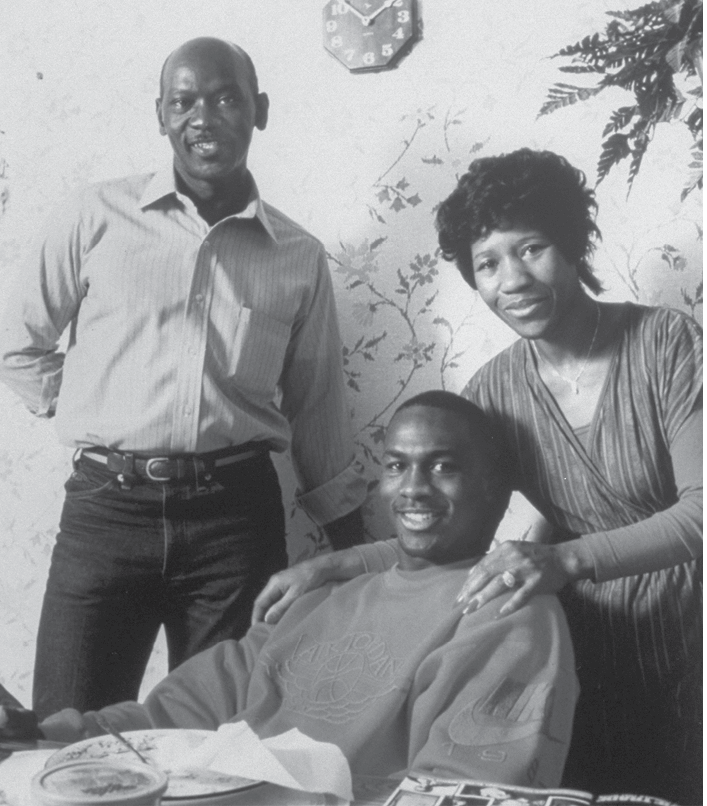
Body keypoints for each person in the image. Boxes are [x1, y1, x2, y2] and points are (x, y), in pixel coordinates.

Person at [252, 150, 703, 804]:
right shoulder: (493, 392)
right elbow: (457, 540)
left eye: (531, 248)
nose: (511, 279)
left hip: (690, 635)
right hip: (584, 650)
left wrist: (564, 556)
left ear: (572, 244)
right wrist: (333, 567)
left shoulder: (665, 342)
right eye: (487, 263)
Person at [0, 37, 366, 720]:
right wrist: (87, 405)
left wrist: (361, 550)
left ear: (258, 110)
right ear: (161, 117)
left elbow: (316, 407)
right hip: (105, 513)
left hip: (235, 523)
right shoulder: (94, 216)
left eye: (225, 98)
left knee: (220, 738)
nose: (204, 117)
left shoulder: (298, 256)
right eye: (184, 101)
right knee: (68, 737)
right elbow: (16, 343)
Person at [26, 392, 578, 787]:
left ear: (496, 490)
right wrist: (43, 733)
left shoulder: (508, 612)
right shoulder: (320, 594)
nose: (412, 489)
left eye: (443, 468)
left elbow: (466, 789)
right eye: (396, 466)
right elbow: (166, 720)